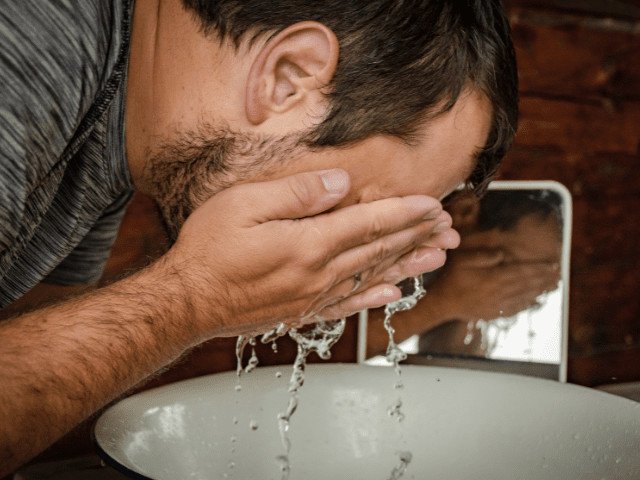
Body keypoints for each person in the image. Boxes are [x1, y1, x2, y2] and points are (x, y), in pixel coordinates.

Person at [0, 0, 517, 474]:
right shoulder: (36, 35)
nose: (349, 248)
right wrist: (193, 298)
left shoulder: (130, 134)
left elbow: (28, 352)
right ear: (288, 77)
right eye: (366, 211)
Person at [366, 190, 561, 358]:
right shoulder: (388, 245)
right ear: (465, 210)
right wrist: (445, 303)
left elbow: (441, 366)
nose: (539, 287)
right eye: (509, 265)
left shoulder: (460, 288)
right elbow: (340, 346)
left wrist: (462, 312)